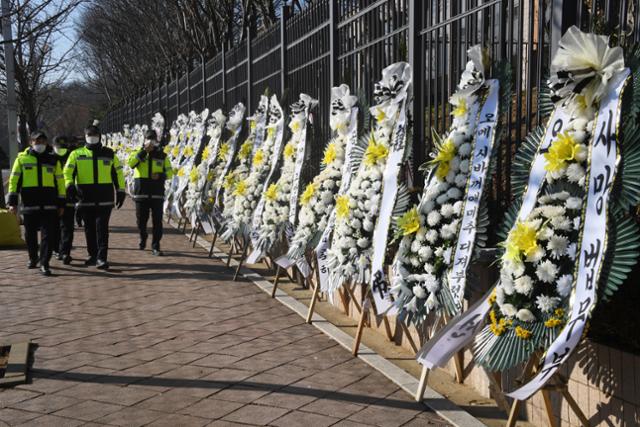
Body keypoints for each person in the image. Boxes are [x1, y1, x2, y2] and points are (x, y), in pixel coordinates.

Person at [64, 125, 125, 269]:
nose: (92, 137)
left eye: (95, 134)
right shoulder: (76, 154)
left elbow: (118, 173)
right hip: (85, 198)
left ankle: (101, 258)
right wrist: (69, 185)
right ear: (85, 136)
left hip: (105, 198)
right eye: (89, 134)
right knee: (89, 229)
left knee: (102, 228)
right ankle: (92, 255)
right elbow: (67, 172)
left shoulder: (109, 154)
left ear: (100, 136)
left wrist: (120, 190)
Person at [7, 131, 66, 276]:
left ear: (47, 143)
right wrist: (12, 202)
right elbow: (14, 181)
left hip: (49, 204)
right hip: (29, 204)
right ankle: (33, 257)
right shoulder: (21, 160)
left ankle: (44, 263)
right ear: (30, 142)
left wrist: (61, 203)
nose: (40, 144)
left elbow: (60, 181)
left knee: (48, 235)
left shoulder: (53, 160)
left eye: (43, 142)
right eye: (37, 142)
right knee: (30, 234)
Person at [128, 129, 173, 256]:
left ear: (156, 140)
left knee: (157, 221)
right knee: (141, 221)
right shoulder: (138, 153)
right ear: (144, 139)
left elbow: (170, 173)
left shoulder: (162, 155)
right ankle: (143, 236)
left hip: (157, 193)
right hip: (141, 193)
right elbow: (131, 164)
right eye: (148, 138)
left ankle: (156, 246)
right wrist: (143, 152)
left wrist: (160, 175)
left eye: (153, 138)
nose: (150, 141)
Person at [51, 135, 76, 264]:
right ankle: (56, 249)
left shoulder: (72, 157)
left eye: (63, 147)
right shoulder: (48, 158)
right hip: (53, 198)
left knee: (68, 226)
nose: (61, 150)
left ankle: (65, 252)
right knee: (54, 226)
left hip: (68, 197)